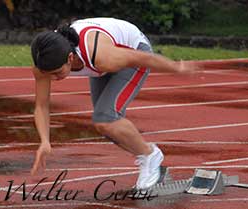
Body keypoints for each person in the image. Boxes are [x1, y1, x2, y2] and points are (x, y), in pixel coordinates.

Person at [30, 17, 198, 190]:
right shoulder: (44, 62)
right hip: (102, 60)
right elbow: (41, 105)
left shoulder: (102, 56)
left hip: (133, 50)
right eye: (48, 74)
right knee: (104, 125)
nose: (53, 79)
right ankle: (146, 153)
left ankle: (150, 156)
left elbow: (142, 58)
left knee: (106, 118)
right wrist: (44, 141)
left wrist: (176, 67)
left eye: (57, 73)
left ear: (70, 58)